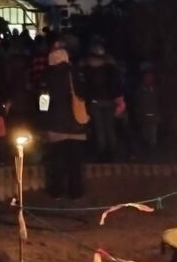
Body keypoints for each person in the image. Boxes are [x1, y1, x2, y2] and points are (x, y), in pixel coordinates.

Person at [44, 45, 86, 199]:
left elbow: (43, 100)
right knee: (75, 161)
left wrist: (44, 116)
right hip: (76, 122)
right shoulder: (75, 73)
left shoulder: (47, 75)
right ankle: (76, 191)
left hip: (56, 123)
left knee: (57, 160)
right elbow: (84, 93)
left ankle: (57, 190)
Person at [80, 40, 123, 161]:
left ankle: (102, 152)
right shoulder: (110, 67)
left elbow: (86, 86)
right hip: (109, 100)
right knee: (110, 127)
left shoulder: (87, 67)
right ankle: (112, 152)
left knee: (99, 128)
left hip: (95, 101)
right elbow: (116, 84)